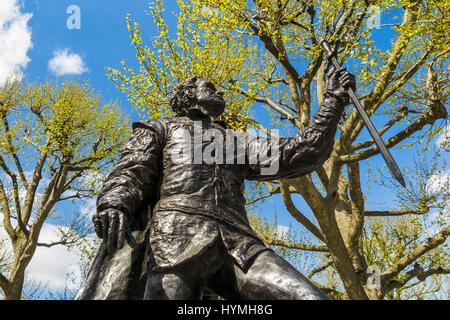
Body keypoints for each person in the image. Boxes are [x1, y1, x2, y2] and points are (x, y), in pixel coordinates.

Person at [75, 68, 355, 300]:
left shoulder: (238, 141)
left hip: (238, 244)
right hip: (174, 239)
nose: (220, 92)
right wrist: (115, 203)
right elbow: (132, 170)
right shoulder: (160, 128)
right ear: (188, 96)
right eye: (210, 87)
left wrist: (333, 100)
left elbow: (297, 153)